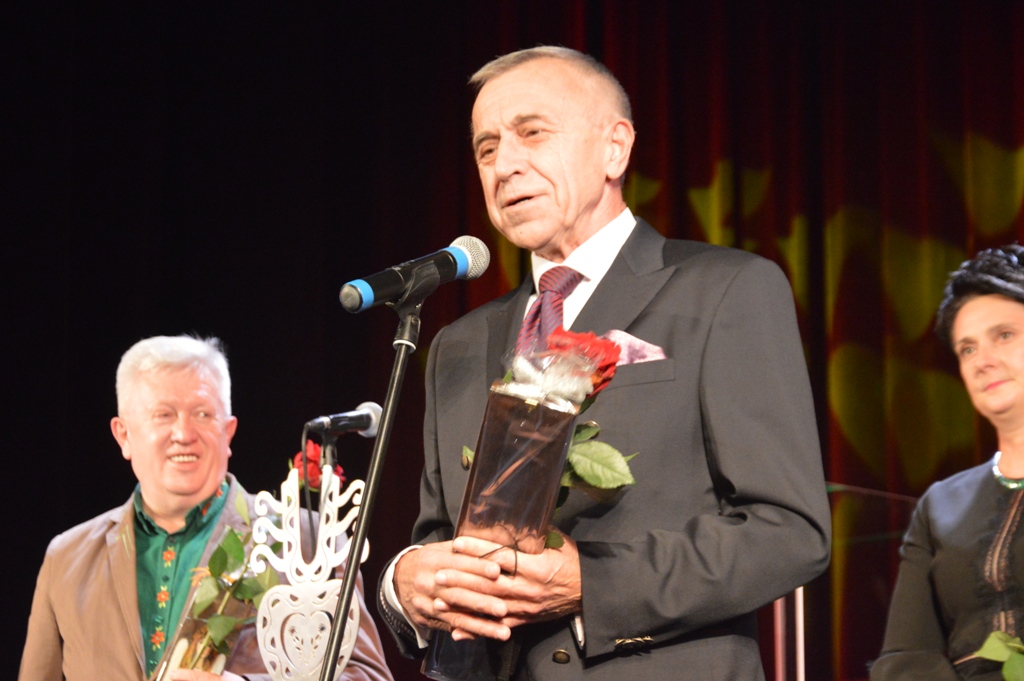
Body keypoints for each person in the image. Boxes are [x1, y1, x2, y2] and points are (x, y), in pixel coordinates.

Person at [376, 46, 831, 680]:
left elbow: (788, 531)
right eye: (486, 148)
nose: (505, 165)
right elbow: (439, 536)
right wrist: (405, 584)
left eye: (532, 133)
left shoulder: (724, 291)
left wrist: (593, 584)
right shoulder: (458, 344)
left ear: (615, 148)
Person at [19, 335, 393, 681]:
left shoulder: (303, 539)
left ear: (228, 432)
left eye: (203, 414)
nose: (184, 434)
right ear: (124, 435)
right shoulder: (67, 557)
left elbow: (369, 676)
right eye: (163, 414)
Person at [872, 244, 1024, 680]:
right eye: (967, 349)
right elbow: (906, 655)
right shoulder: (942, 505)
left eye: (1004, 335)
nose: (983, 361)